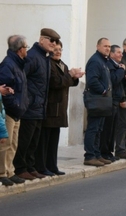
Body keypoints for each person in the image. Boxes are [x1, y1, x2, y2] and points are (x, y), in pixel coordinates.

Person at [13, 28, 60, 180]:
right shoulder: (33, 56)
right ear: (41, 40)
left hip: (40, 108)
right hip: (29, 108)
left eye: (56, 42)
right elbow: (20, 78)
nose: (54, 44)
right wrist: (25, 101)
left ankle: (30, 167)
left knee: (34, 141)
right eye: (51, 41)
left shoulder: (45, 57)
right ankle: (20, 169)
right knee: (25, 141)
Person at [35, 40, 83, 176]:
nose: (58, 52)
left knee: (53, 140)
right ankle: (42, 166)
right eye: (55, 49)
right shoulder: (48, 64)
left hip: (60, 108)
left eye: (60, 49)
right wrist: (70, 76)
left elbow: (67, 82)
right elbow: (56, 82)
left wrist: (75, 78)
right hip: (50, 107)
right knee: (44, 140)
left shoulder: (62, 65)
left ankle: (52, 166)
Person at [0, 35, 29, 186]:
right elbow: (5, 90)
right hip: (10, 112)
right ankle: (2, 172)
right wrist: (15, 107)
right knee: (5, 144)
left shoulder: (19, 64)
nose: (27, 50)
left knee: (13, 144)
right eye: (26, 47)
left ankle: (10, 171)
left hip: (17, 112)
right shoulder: (8, 65)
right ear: (20, 49)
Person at [83, 37, 112, 167]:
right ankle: (89, 156)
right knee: (93, 128)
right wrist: (103, 91)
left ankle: (97, 154)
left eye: (109, 47)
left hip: (102, 100)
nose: (107, 48)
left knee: (99, 128)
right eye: (105, 46)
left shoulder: (103, 61)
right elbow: (92, 80)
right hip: (96, 99)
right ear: (98, 46)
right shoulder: (95, 61)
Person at [100, 44, 126, 162]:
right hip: (111, 101)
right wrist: (122, 70)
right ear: (111, 54)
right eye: (118, 52)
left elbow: (121, 85)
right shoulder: (110, 65)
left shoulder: (117, 66)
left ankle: (109, 152)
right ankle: (105, 152)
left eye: (121, 53)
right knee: (107, 129)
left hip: (117, 100)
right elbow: (114, 80)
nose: (121, 55)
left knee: (113, 129)